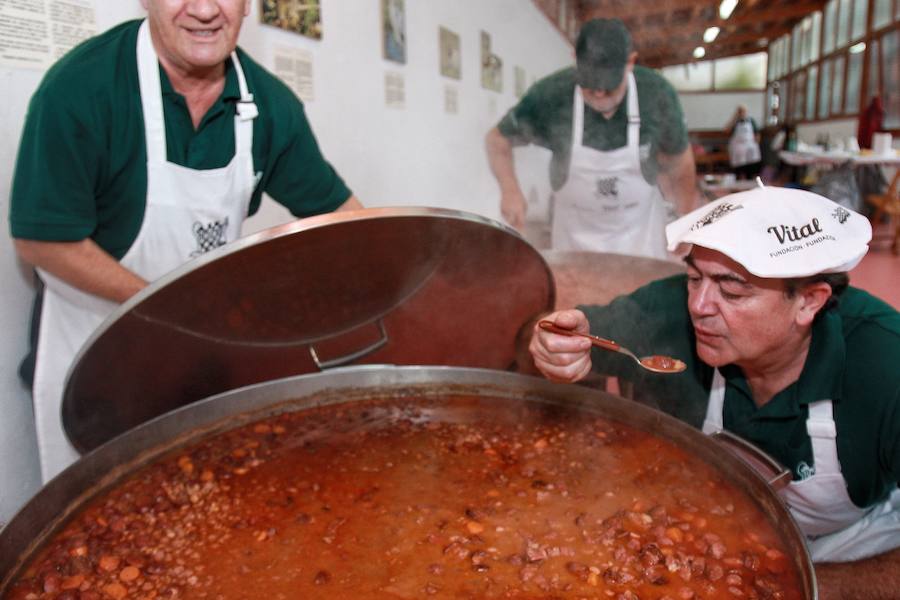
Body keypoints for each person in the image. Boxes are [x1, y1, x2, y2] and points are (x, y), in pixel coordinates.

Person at [8, 0, 362, 483]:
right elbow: (42, 241)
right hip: (92, 346)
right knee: (98, 516)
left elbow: (344, 223)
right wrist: (166, 310)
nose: (203, 10)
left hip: (197, 348)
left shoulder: (270, 105)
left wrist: (402, 280)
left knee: (202, 492)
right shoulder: (82, 89)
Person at [528, 186, 900, 599]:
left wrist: (789, 585)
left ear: (809, 302)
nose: (700, 305)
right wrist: (555, 348)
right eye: (694, 278)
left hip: (851, 545)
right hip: (715, 524)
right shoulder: (669, 311)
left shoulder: (886, 364)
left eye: (733, 290)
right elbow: (564, 333)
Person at [485, 18, 697, 259]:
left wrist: (686, 221)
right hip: (574, 241)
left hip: (640, 240)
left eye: (609, 87)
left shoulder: (657, 95)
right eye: (589, 85)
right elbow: (497, 140)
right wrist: (510, 190)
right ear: (575, 58)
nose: (598, 94)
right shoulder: (551, 95)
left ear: (629, 62)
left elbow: (679, 163)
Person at [725, 104, 762, 180]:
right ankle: (738, 180)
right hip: (738, 147)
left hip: (749, 146)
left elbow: (757, 133)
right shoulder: (735, 121)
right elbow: (726, 130)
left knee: (751, 166)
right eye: (740, 111)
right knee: (738, 167)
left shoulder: (751, 120)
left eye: (743, 111)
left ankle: (750, 180)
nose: (742, 113)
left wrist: (756, 143)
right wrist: (734, 117)